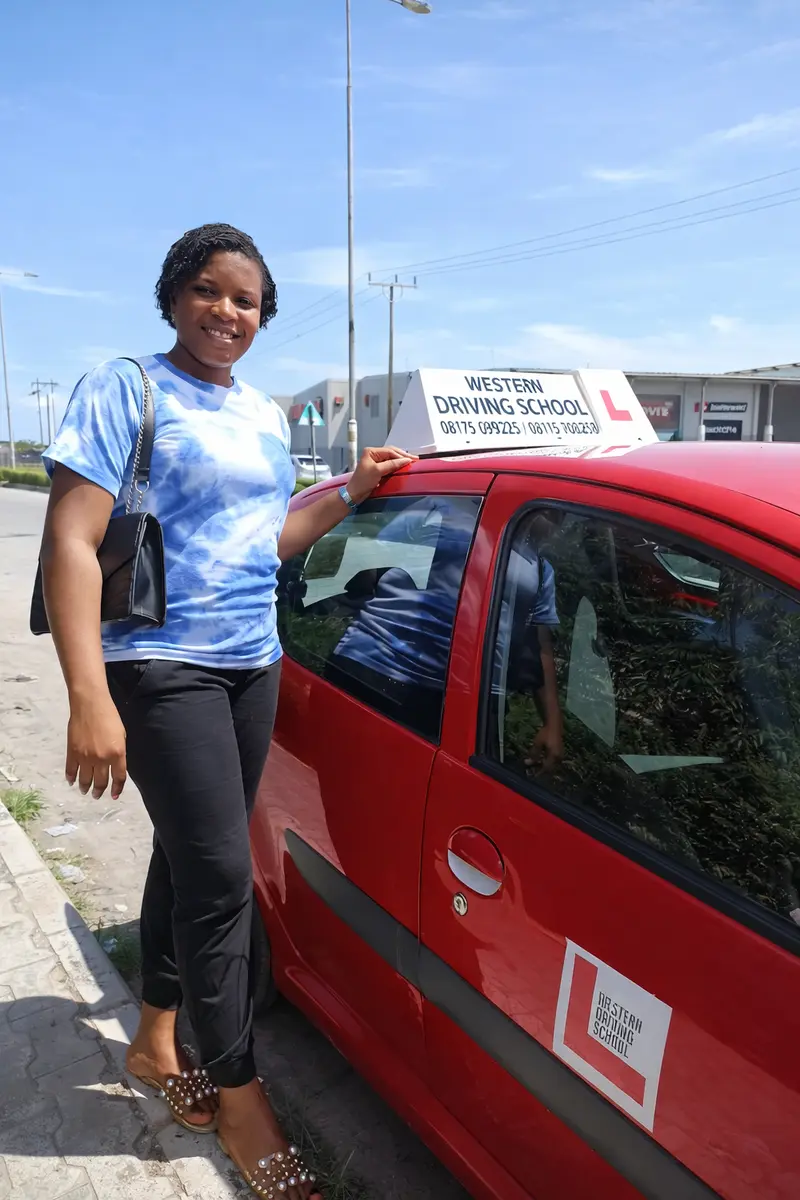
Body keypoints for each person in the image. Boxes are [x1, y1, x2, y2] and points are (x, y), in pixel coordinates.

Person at [39, 222, 415, 1200]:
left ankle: (157, 1036)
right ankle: (241, 1096)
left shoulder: (259, 414)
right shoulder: (129, 388)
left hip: (253, 664)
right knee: (222, 881)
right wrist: (88, 696)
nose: (228, 312)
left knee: (189, 855)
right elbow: (72, 541)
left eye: (246, 301)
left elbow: (267, 539)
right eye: (209, 291)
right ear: (174, 295)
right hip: (159, 665)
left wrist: (347, 496)